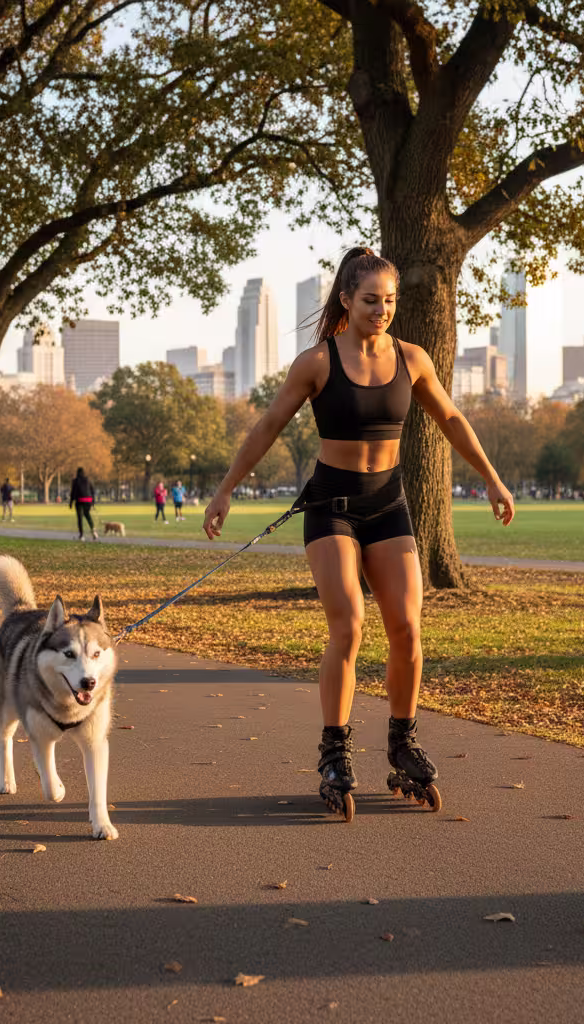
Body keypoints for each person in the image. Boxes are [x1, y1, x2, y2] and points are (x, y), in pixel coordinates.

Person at [203, 247, 515, 819]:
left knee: (407, 629)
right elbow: (269, 425)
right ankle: (334, 753)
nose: (382, 310)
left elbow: (451, 418)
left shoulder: (413, 358)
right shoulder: (316, 363)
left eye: (390, 300)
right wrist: (225, 490)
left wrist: (492, 479)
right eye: (371, 300)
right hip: (332, 508)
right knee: (349, 624)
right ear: (346, 299)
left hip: (388, 504)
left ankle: (401, 743)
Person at [69, 467, 98, 541]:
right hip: (88, 500)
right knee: (87, 515)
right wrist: (93, 502)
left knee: (80, 518)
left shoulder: (75, 481)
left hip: (80, 501)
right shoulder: (88, 480)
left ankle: (81, 535)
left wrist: (71, 502)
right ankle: (93, 530)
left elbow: (73, 492)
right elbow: (92, 491)